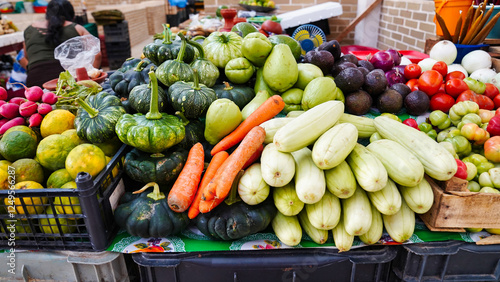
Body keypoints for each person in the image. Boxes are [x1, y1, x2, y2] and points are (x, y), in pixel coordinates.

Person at [23, 0, 102, 87]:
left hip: (34, 82)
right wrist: (91, 78)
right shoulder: (78, 28)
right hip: (68, 82)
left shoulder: (29, 30)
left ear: (47, 13)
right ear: (71, 14)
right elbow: (97, 55)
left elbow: (27, 57)